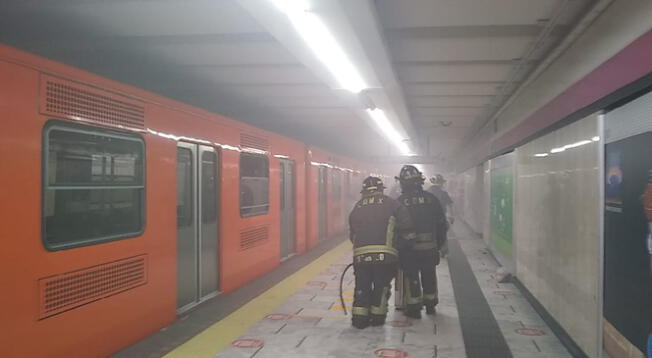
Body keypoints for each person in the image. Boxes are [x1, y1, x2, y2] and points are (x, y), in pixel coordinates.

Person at [349, 176, 414, 329]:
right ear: (381, 189)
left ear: (364, 191)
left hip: (361, 256)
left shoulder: (357, 206)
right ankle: (377, 318)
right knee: (381, 286)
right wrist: (400, 247)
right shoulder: (392, 204)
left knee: (362, 286)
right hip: (385, 256)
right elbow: (407, 229)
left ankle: (359, 320)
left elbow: (352, 234)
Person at [397, 165, 447, 318]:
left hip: (408, 249)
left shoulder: (400, 202)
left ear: (402, 183)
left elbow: (395, 227)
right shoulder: (432, 199)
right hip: (430, 247)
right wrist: (438, 244)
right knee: (429, 275)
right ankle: (430, 306)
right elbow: (442, 224)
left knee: (411, 276)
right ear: (420, 181)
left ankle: (414, 308)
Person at [428, 174, 454, 257]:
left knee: (431, 235)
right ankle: (444, 251)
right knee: (443, 234)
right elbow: (449, 205)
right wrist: (451, 216)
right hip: (441, 217)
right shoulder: (443, 193)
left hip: (429, 218)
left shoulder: (427, 192)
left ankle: (432, 250)